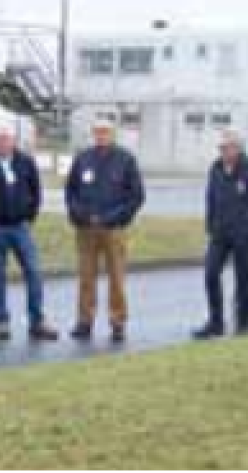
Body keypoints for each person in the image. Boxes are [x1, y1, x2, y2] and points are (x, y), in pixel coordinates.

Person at [194, 129, 248, 339]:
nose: (222, 151)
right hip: (220, 232)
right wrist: (210, 223)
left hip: (245, 234)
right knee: (211, 273)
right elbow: (211, 197)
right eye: (221, 148)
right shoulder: (216, 168)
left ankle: (243, 322)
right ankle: (215, 322)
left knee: (243, 280)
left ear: (237, 149)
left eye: (226, 148)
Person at [0, 122, 59, 342]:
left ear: (13, 141)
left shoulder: (26, 162)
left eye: (6, 138)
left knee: (33, 272)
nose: (2, 143)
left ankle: (37, 321)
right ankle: (1, 321)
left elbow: (36, 191)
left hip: (21, 226)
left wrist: (30, 217)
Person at [64, 118, 145, 343]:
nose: (101, 136)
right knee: (86, 277)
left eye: (106, 132)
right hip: (86, 229)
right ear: (93, 134)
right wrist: (79, 215)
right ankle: (84, 321)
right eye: (98, 132)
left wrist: (116, 218)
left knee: (116, 277)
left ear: (113, 134)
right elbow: (71, 192)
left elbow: (136, 196)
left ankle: (118, 322)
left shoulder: (125, 160)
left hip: (113, 229)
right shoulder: (83, 159)